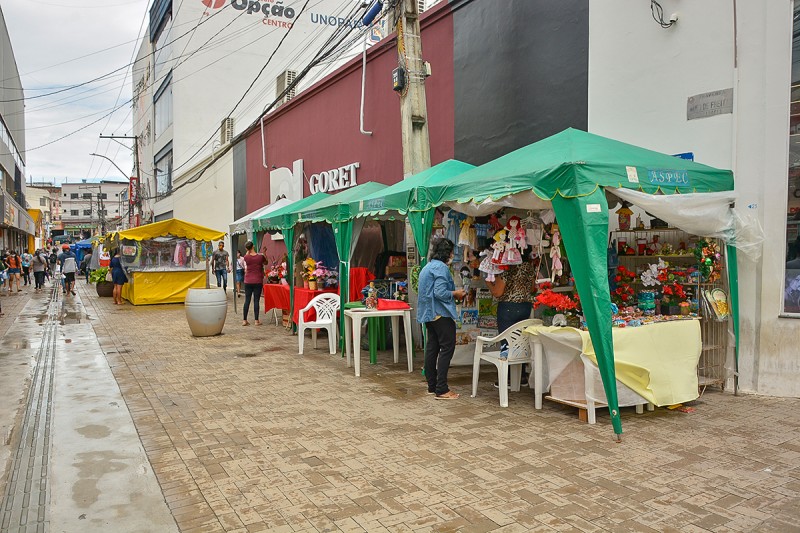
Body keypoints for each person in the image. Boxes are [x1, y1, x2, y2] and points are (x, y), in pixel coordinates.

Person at [417, 238, 466, 400]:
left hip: (429, 314)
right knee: (447, 349)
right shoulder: (441, 269)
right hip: (440, 313)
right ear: (448, 253)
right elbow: (440, 293)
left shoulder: (428, 267)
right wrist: (456, 294)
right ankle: (442, 389)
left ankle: (432, 385)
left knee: (432, 348)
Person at [485, 257, 537, 387]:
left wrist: (488, 282)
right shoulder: (528, 265)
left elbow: (498, 292)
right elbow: (532, 288)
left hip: (508, 307)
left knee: (507, 341)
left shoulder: (505, 267)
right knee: (521, 340)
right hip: (525, 306)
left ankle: (507, 377)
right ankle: (521, 376)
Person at [241, 241, 267, 326]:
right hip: (257, 280)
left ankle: (244, 320)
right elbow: (266, 262)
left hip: (248, 280)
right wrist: (265, 253)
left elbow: (246, 256)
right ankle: (256, 320)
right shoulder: (260, 257)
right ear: (253, 246)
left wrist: (248, 251)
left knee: (247, 300)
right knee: (256, 300)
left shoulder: (246, 257)